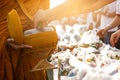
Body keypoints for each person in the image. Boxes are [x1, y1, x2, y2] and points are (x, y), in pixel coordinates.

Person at [0, 0, 51, 80]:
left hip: (33, 46)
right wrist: (3, 39)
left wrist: (43, 29)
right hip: (6, 52)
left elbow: (43, 10)